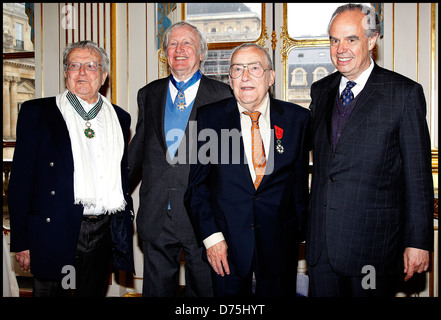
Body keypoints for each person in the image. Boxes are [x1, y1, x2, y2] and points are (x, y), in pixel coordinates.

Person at [306, 3, 434, 297]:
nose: (341, 49)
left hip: (373, 250)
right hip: (321, 248)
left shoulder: (403, 94)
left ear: (372, 40)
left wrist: (418, 242)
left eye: (351, 39)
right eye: (334, 40)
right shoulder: (321, 90)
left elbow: (418, 177)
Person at [8, 40, 135, 297]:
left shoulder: (120, 118)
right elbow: (20, 181)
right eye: (74, 66)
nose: (81, 73)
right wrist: (21, 241)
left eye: (90, 66)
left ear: (103, 75)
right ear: (66, 73)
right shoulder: (38, 113)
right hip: (55, 227)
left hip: (102, 230)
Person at [184, 43, 310, 297]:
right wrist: (211, 238)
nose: (245, 77)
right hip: (225, 248)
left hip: (279, 247)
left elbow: (298, 188)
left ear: (271, 77)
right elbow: (196, 188)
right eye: (237, 70)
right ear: (230, 80)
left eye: (254, 68)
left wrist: (297, 237)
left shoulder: (298, 119)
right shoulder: (209, 118)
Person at [128, 21, 232, 297]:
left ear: (201, 53)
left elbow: (229, 164)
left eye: (187, 43)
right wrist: (116, 195)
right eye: (172, 44)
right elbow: (137, 150)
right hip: (156, 214)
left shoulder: (222, 96)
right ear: (165, 54)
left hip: (202, 218)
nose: (179, 49)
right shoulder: (148, 94)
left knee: (205, 294)